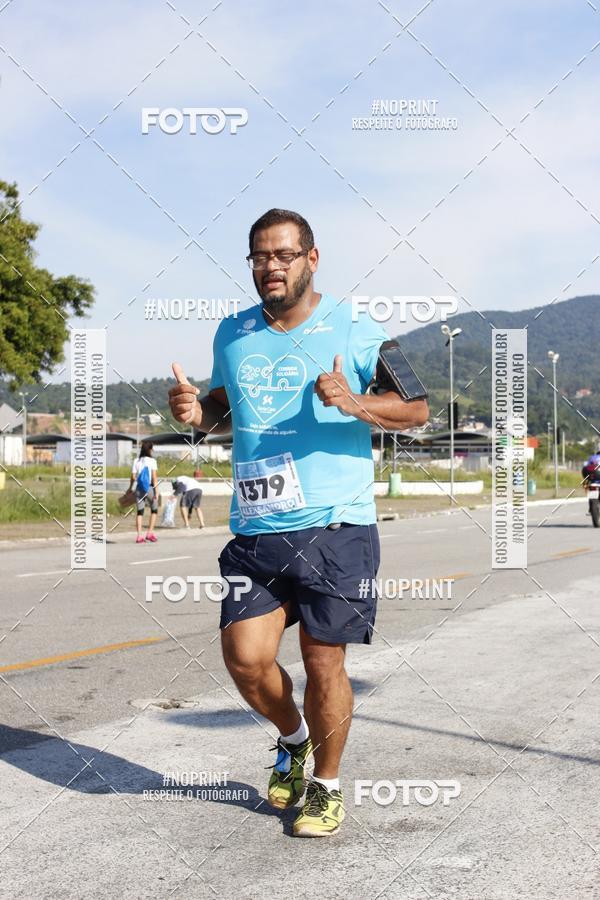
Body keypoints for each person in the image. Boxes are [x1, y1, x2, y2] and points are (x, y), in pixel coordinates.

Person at [168, 208, 428, 837]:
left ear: (312, 259)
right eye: (260, 257)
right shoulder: (232, 334)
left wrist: (354, 401)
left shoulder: (357, 327)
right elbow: (222, 408)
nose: (271, 267)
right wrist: (194, 413)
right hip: (257, 528)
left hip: (336, 527)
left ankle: (325, 787)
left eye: (284, 255)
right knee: (246, 660)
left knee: (322, 661)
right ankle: (293, 739)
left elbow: (417, 409)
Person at [129, 440, 159, 543]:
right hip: (150, 488)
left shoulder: (136, 461)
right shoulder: (152, 461)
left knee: (139, 512)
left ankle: (139, 536)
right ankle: (149, 533)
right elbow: (154, 478)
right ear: (150, 449)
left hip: (139, 488)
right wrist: (157, 492)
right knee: (154, 510)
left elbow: (133, 477)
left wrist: (130, 488)